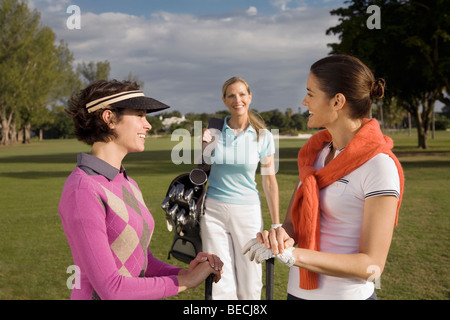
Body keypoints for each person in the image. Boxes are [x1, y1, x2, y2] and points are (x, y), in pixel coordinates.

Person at [242, 55, 405, 300]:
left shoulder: (379, 166)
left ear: (337, 101)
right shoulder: (313, 155)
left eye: (310, 93)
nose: (304, 101)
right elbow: (292, 226)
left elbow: (371, 265)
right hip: (297, 293)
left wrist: (295, 256)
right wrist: (277, 239)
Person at [59, 79, 223, 300]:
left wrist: (187, 272)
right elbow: (111, 289)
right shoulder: (83, 190)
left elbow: (142, 261)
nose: (148, 125)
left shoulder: (127, 182)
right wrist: (186, 282)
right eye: (139, 115)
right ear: (109, 118)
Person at [200, 76, 280, 300]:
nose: (238, 99)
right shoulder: (213, 131)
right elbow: (201, 171)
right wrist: (203, 146)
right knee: (218, 277)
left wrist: (276, 224)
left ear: (250, 97)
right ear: (224, 100)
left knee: (250, 279)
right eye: (231, 95)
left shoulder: (263, 136)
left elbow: (269, 181)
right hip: (213, 211)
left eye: (242, 94)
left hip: (247, 212)